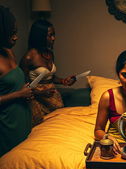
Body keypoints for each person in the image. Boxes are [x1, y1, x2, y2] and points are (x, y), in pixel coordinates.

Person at [20, 19, 76, 126]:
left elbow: (50, 77)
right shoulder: (29, 57)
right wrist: (39, 93)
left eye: (54, 34)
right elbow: (21, 86)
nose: (53, 38)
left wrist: (64, 81)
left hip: (53, 97)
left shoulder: (49, 53)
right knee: (42, 128)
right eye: (50, 35)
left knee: (58, 125)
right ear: (40, 36)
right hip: (36, 100)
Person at [0, 6, 33, 157]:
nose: (16, 37)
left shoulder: (9, 52)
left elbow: (15, 85)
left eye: (16, 32)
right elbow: (14, 93)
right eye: (11, 34)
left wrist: (26, 91)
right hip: (7, 125)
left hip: (23, 119)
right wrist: (19, 94)